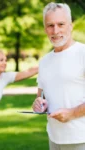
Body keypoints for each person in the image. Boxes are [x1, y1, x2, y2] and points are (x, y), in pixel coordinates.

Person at [32, 2, 85, 150]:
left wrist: (72, 113)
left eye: (61, 24)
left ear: (70, 25)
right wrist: (39, 104)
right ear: (45, 29)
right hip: (54, 138)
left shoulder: (82, 53)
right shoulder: (44, 61)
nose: (55, 31)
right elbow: (41, 96)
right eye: (50, 25)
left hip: (81, 138)